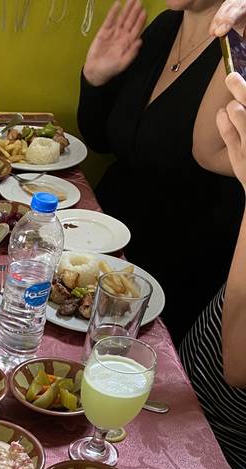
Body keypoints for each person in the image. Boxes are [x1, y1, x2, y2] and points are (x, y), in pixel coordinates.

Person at [77, 0, 245, 346]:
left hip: (174, 276)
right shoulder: (165, 26)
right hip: (104, 246)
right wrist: (95, 79)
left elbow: (207, 154)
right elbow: (104, 140)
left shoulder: (238, 48)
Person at [180, 70, 246, 469]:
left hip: (228, 455)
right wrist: (233, 46)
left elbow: (238, 363)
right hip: (188, 393)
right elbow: (208, 148)